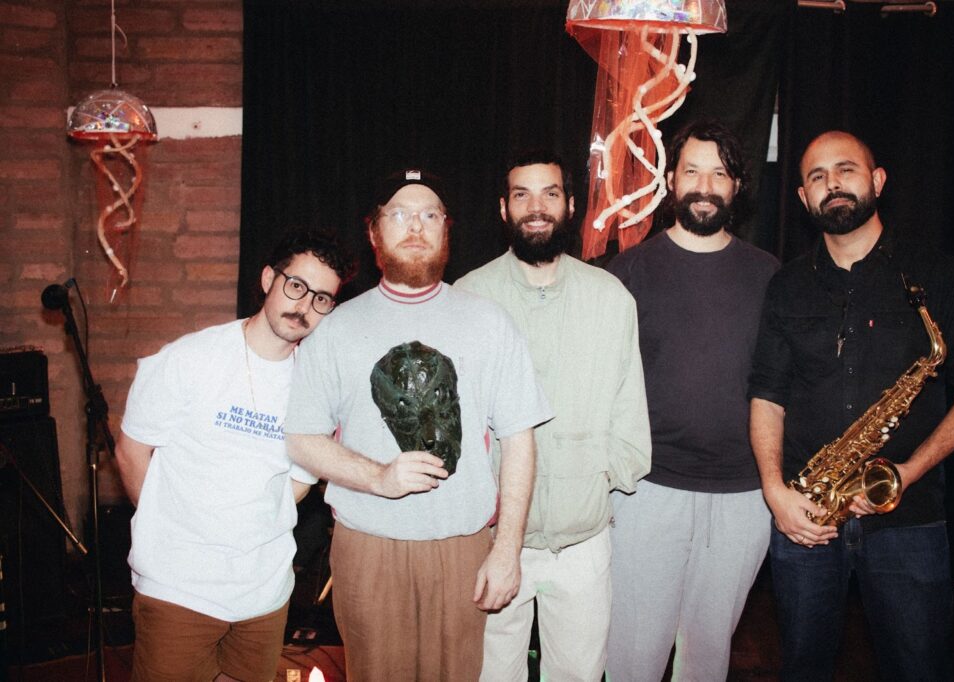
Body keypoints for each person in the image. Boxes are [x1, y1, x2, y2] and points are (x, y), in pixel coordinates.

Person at [748, 130, 954, 681]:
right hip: (807, 514)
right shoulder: (787, 286)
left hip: (909, 518)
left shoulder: (938, 275)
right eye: (817, 176)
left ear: (877, 180)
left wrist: (907, 473)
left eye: (846, 169)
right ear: (803, 197)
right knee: (802, 669)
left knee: (918, 669)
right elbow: (767, 393)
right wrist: (775, 492)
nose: (833, 183)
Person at [284, 169, 552, 682]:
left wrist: (507, 551)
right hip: (368, 546)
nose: (415, 226)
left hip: (462, 548)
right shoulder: (337, 329)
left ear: (446, 229)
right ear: (374, 230)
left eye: (430, 214)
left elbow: (520, 439)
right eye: (400, 214)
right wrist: (378, 477)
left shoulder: (489, 323)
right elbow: (301, 438)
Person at [115, 230, 354, 682]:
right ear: (267, 279)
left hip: (264, 596)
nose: (304, 306)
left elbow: (300, 480)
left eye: (322, 298)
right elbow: (131, 452)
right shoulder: (191, 358)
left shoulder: (315, 386)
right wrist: (173, 532)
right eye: (297, 286)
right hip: (179, 591)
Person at [454, 151, 651, 681]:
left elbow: (631, 417)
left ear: (570, 206)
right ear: (503, 208)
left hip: (583, 544)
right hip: (491, 542)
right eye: (522, 195)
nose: (536, 207)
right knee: (490, 676)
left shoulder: (610, 298)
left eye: (550, 193)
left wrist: (592, 482)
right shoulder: (468, 299)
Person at [605, 120, 780, 681]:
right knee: (633, 653)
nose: (705, 186)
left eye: (719, 174)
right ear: (671, 181)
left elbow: (785, 385)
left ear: (737, 186)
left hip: (744, 496)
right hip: (646, 490)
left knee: (708, 657)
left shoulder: (770, 275)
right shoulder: (627, 273)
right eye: (692, 171)